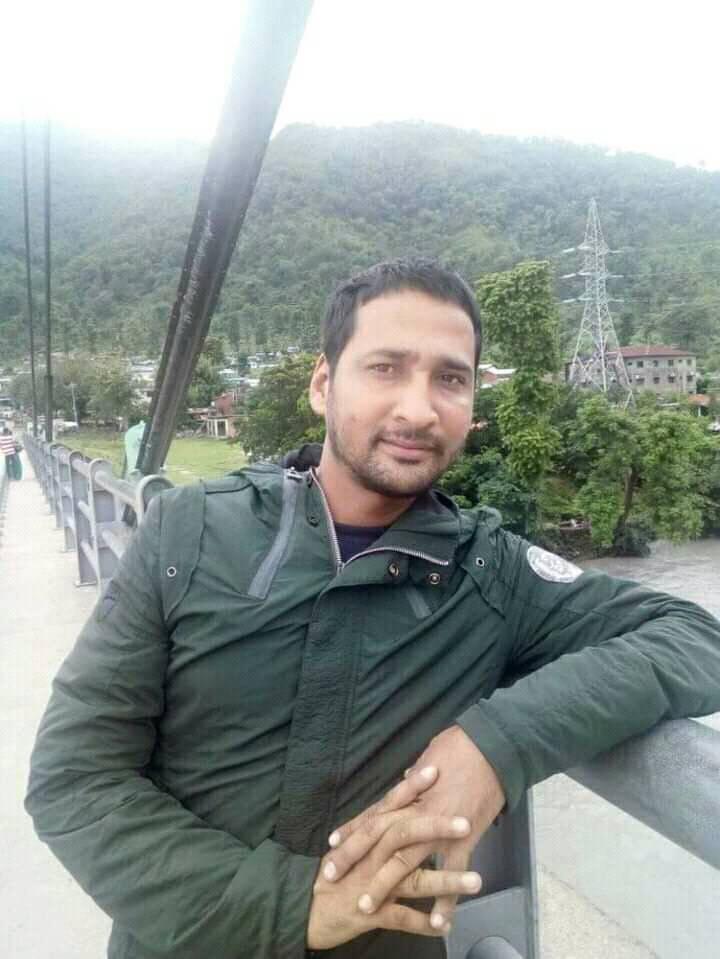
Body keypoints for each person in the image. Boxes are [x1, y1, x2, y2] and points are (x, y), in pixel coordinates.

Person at [26, 259, 720, 959]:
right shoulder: (190, 531)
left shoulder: (489, 572)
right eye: (386, 368)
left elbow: (694, 636)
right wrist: (292, 907)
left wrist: (497, 743)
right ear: (323, 384)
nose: (418, 410)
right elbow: (74, 777)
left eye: (450, 379)